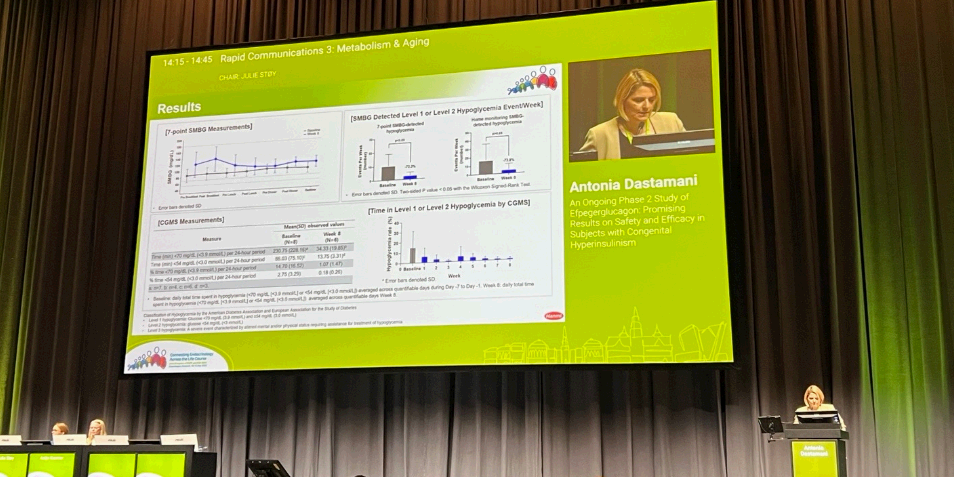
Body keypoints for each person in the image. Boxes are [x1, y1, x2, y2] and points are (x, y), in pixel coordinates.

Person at [579, 68, 686, 160]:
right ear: (622, 100)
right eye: (638, 100)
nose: (647, 106)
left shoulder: (671, 122)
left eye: (651, 100)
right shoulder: (599, 134)